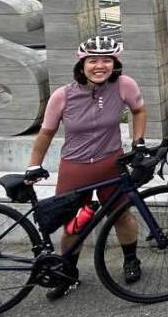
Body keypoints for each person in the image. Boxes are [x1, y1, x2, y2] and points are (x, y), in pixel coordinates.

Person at [27, 36, 147, 301]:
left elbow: (139, 110)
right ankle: (68, 274)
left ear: (115, 64)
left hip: (110, 164)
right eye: (92, 60)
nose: (100, 66)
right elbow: (46, 133)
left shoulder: (124, 86)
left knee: (121, 215)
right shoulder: (63, 95)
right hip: (75, 167)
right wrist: (33, 165)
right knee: (74, 223)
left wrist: (137, 143)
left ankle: (131, 259)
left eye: (107, 60)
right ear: (81, 65)